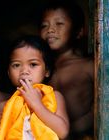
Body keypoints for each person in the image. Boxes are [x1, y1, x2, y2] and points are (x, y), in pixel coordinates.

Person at [0, 35, 69, 140]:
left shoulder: (54, 97)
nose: (24, 71)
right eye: (16, 65)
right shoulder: (5, 106)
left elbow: (63, 132)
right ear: (9, 73)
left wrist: (36, 104)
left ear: (47, 71)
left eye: (33, 64)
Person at [39, 0, 94, 139]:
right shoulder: (38, 69)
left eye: (59, 24)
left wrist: (71, 130)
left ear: (79, 31)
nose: (50, 30)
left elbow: (101, 108)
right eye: (44, 25)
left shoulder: (88, 66)